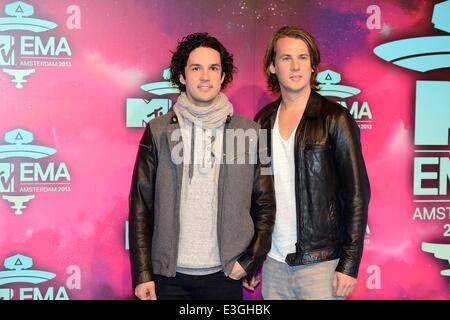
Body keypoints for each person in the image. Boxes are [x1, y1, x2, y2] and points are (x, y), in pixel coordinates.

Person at [128, 32, 275, 300]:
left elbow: (266, 204)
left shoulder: (252, 132)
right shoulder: (157, 131)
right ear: (182, 76)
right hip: (168, 278)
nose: (205, 76)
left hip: (225, 276)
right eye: (196, 68)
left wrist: (251, 260)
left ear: (222, 77)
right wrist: (142, 274)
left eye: (213, 68)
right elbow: (141, 206)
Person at [251, 26, 370, 300]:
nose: (295, 66)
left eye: (303, 58)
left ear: (313, 65)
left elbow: (356, 195)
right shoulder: (261, 121)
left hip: (322, 266)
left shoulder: (335, 119)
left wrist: (349, 265)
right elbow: (255, 197)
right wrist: (253, 259)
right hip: (273, 265)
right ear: (272, 66)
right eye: (286, 58)